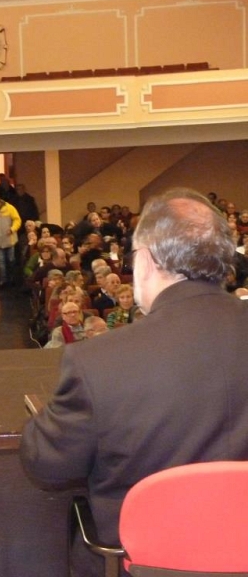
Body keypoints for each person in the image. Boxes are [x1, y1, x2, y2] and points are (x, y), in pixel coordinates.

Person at [20, 188, 248, 577]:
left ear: (148, 258)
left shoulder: (98, 361)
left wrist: (54, 415)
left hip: (142, 564)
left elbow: (46, 463)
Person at [0, 194, 21, 287]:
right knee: (1, 262)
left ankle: (12, 278)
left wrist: (12, 229)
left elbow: (17, 220)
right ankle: (3, 280)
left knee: (11, 260)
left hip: (10, 240)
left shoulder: (9, 208)